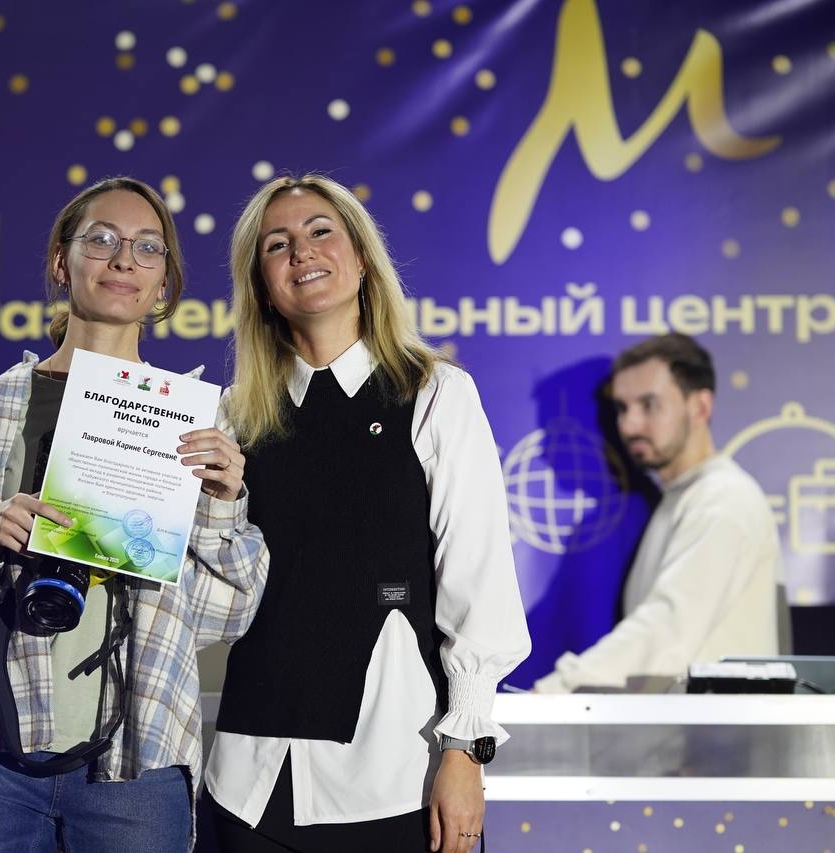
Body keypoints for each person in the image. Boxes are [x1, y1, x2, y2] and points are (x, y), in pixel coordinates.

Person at [0, 176, 269, 852]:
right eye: (101, 240)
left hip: (136, 758)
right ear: (60, 261)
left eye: (148, 247)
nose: (124, 259)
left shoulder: (196, 423)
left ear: (164, 284)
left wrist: (223, 506)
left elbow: (225, 619)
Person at [204, 174, 531, 853]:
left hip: (394, 775)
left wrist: (466, 749)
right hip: (247, 779)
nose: (302, 251)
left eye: (321, 231)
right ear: (260, 285)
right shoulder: (231, 417)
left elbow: (479, 581)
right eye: (277, 244)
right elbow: (206, 596)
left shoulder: (435, 392)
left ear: (361, 256)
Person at [533, 333, 785, 693]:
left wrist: (555, 691)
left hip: (721, 729)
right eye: (622, 408)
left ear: (700, 407)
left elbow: (667, 628)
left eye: (649, 405)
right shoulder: (681, 500)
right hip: (692, 725)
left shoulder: (723, 498)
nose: (629, 425)